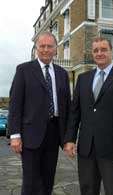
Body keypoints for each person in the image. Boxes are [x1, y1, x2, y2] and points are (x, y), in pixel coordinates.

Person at [64, 37, 113, 195]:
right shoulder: (83, 79)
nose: (99, 53)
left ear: (112, 52)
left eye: (104, 49)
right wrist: (70, 139)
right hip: (86, 149)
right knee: (88, 190)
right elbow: (75, 112)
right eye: (96, 50)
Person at [8, 31, 71, 195]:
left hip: (54, 133)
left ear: (56, 49)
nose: (45, 49)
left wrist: (69, 137)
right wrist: (15, 135)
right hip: (30, 135)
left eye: (49, 46)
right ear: (36, 48)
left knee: (48, 179)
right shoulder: (24, 70)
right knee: (30, 181)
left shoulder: (62, 74)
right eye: (42, 46)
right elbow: (15, 104)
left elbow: (67, 107)